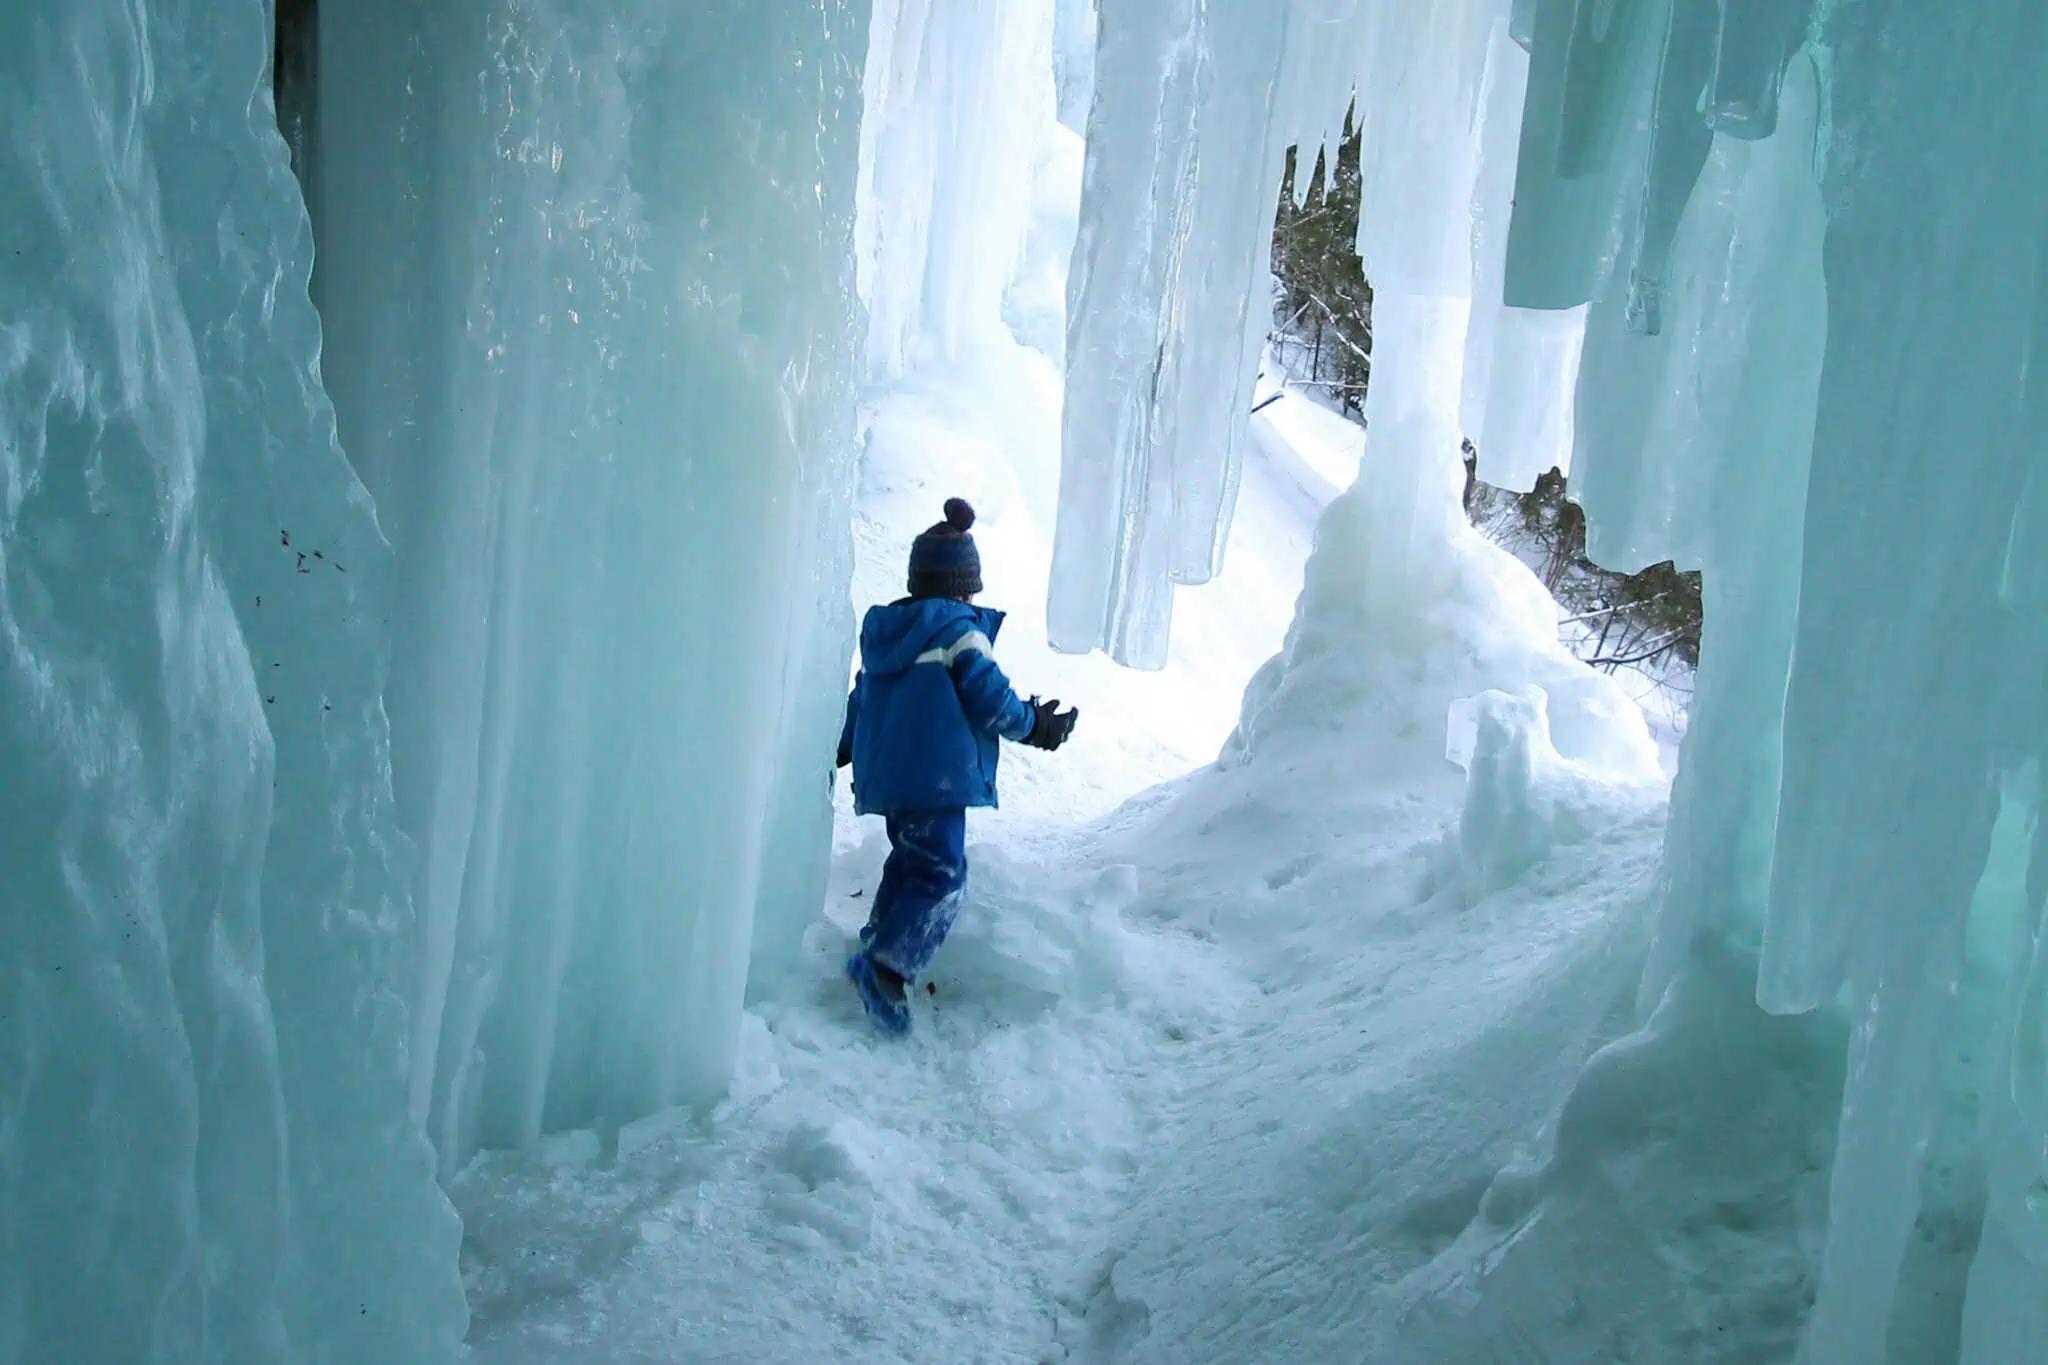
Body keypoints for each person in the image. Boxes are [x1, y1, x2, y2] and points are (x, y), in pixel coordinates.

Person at [836, 498, 1078, 1034]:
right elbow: (989, 696)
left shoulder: (886, 637)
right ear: (963, 586)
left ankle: (876, 945)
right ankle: (886, 970)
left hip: (893, 781)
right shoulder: (958, 630)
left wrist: (843, 747)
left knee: (910, 862)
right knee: (942, 875)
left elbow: (861, 698)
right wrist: (1034, 725)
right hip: (936, 779)